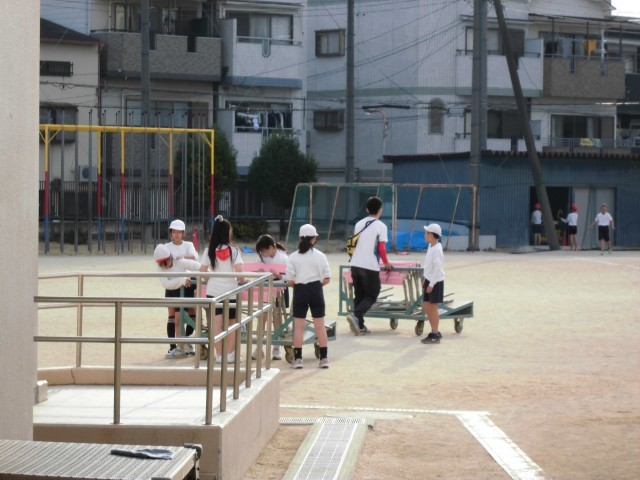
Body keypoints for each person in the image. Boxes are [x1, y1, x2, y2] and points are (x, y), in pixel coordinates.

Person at [286, 224, 331, 369]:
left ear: (300, 238)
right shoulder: (320, 256)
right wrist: (316, 286)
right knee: (320, 326)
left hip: (300, 290)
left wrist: (299, 286)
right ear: (314, 238)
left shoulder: (293, 257)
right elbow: (327, 278)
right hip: (316, 289)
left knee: (299, 327)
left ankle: (298, 359)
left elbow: (290, 280)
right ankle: (324, 359)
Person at [199, 215, 244, 363]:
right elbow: (240, 272)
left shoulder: (209, 250)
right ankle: (229, 354)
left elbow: (202, 270)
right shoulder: (234, 250)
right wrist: (243, 281)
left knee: (216, 323)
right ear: (227, 232)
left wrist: (211, 280)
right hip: (231, 290)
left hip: (213, 291)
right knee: (232, 322)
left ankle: (219, 354)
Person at [346, 196, 393, 336]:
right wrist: (386, 263)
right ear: (380, 210)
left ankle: (360, 326)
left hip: (355, 264)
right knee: (373, 294)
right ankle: (356, 315)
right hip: (370, 265)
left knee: (359, 295)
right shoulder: (381, 226)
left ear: (367, 209)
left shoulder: (359, 224)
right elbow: (381, 248)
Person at [153, 244, 201, 358]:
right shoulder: (160, 267)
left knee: (187, 316)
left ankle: (186, 344)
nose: (165, 267)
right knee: (174, 318)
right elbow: (166, 284)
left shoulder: (179, 259)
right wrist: (181, 280)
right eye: (161, 265)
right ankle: (177, 347)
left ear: (170, 258)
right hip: (175, 288)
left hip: (186, 287)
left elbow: (198, 266)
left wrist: (205, 277)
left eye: (166, 263)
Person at [163, 219, 200, 354]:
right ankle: (173, 347)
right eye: (174, 232)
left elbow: (195, 256)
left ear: (183, 233)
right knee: (172, 316)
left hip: (186, 283)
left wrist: (182, 257)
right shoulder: (166, 247)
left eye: (179, 232)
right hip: (172, 283)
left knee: (191, 313)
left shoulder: (188, 245)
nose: (176, 234)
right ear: (170, 233)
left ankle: (187, 342)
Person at [252, 234, 289, 361]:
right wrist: (260, 272)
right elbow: (255, 270)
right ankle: (259, 348)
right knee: (262, 318)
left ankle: (276, 348)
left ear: (271, 247)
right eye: (260, 251)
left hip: (279, 289)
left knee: (277, 318)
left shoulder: (283, 258)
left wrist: (276, 274)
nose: (262, 253)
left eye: (263, 250)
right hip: (265, 288)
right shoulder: (261, 257)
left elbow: (288, 277)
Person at [420, 224, 445, 344]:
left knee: (432, 307)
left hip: (435, 281)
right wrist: (425, 279)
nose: (425, 235)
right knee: (426, 305)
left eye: (426, 232)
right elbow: (429, 266)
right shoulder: (431, 246)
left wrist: (431, 284)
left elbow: (437, 269)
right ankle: (435, 331)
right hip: (429, 279)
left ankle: (435, 334)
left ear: (431, 235)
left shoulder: (437, 249)